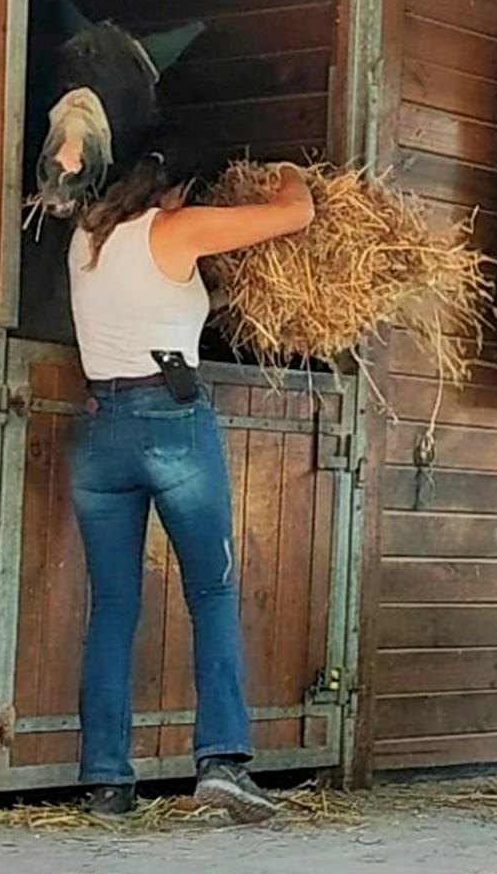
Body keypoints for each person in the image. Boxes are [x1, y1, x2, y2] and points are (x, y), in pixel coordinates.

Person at [66, 156, 315, 822]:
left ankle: (106, 784)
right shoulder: (175, 228)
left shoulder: (86, 238)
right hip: (171, 422)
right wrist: (290, 172)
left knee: (113, 606)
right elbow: (297, 214)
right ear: (173, 188)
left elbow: (158, 301)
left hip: (101, 431)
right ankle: (223, 760)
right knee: (212, 590)